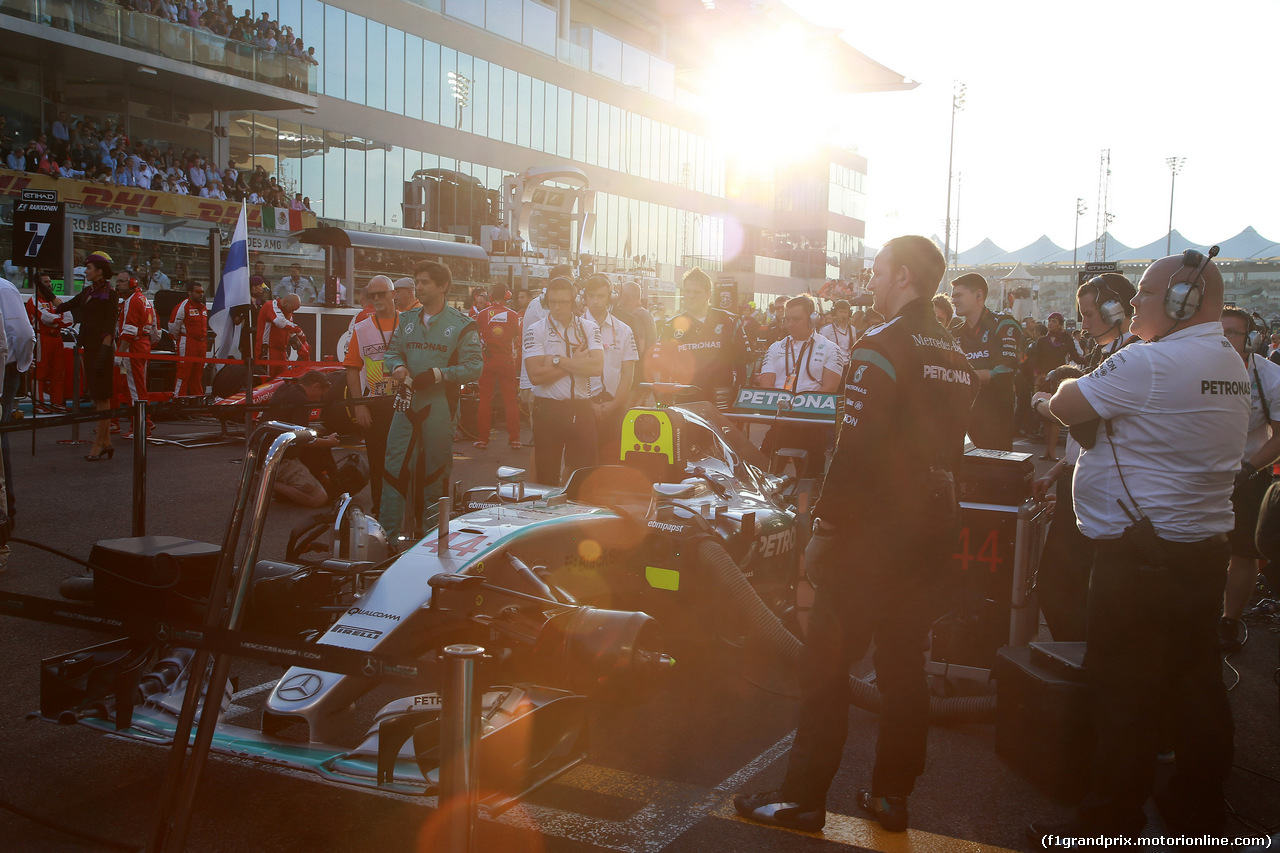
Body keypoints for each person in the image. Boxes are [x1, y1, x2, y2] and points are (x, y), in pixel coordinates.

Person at [737, 235, 977, 833]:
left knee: (825, 664)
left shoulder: (880, 344)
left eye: (876, 272)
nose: (869, 282)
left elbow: (855, 448)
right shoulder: (953, 348)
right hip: (930, 531)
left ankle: (801, 799)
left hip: (872, 535)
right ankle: (892, 797)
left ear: (901, 276)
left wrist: (825, 525)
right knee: (903, 667)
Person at [1031, 250, 1247, 843]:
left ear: (1181, 302)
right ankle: (1198, 806)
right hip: (1201, 552)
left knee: (1122, 692)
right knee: (1196, 681)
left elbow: (1066, 404)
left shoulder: (1150, 363)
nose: (1131, 314)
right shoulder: (1230, 360)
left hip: (1138, 559)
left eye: (1144, 298)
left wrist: (1071, 382)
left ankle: (1110, 820)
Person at [1030, 272, 1139, 642]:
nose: (1084, 322)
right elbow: (1090, 439)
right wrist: (1059, 470)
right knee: (1058, 588)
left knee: (1065, 589)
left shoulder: (1132, 355)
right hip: (1079, 483)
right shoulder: (1104, 353)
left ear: (1115, 310)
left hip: (1110, 498)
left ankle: (1079, 669)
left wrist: (1044, 403)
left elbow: (1078, 417)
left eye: (1090, 313)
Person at [381, 261, 483, 541]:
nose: (419, 287)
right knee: (393, 470)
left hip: (440, 408)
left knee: (436, 473)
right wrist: (398, 368)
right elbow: (392, 354)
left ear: (443, 286)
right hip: (406, 403)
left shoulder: (463, 324)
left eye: (425, 282)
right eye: (417, 282)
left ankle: (432, 540)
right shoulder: (406, 319)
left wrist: (440, 374)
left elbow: (475, 367)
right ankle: (385, 539)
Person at [1218, 308, 1280, 652]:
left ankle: (1229, 620)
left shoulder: (1269, 375)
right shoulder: (1192, 369)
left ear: (1251, 337)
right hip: (1198, 474)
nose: (1226, 340)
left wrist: (1249, 469)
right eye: (1220, 332)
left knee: (1242, 553)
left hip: (1248, 473)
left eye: (1234, 333)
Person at [524, 276, 603, 486]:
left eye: (563, 302)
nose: (557, 307)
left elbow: (597, 367)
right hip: (548, 409)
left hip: (581, 408)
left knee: (585, 476)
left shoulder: (589, 327)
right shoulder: (536, 329)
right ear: (546, 301)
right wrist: (574, 363)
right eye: (552, 302)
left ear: (575, 302)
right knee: (546, 476)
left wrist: (557, 361)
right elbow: (535, 375)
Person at [755, 294, 843, 479]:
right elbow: (767, 384)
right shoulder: (775, 347)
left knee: (810, 481)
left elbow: (829, 388)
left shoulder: (831, 349)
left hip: (811, 426)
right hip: (780, 424)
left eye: (796, 319)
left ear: (812, 320)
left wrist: (798, 407)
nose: (790, 324)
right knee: (762, 475)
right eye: (787, 319)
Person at [53, 251, 118, 461]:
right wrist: (43, 288)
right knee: (96, 396)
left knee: (102, 396)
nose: (85, 271)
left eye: (89, 268)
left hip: (102, 350)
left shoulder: (110, 294)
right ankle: (106, 442)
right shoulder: (88, 292)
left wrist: (104, 352)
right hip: (89, 348)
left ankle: (98, 444)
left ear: (99, 272)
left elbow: (109, 325)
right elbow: (63, 307)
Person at [651, 267, 748, 406]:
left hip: (722, 401)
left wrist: (739, 401)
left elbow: (742, 366)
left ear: (708, 294)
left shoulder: (729, 321)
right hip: (684, 402)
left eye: (696, 292)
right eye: (687, 291)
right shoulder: (669, 326)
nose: (691, 296)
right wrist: (665, 402)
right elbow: (663, 369)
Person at [344, 275, 399, 517]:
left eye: (381, 294)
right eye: (372, 295)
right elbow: (352, 369)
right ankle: (380, 510)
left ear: (393, 294)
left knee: (405, 462)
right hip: (375, 405)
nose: (376, 299)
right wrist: (359, 406)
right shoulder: (362, 328)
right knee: (377, 463)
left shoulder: (408, 324)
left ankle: (404, 511)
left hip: (405, 404)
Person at [949, 272, 1021, 450]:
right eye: (952, 296)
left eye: (958, 295)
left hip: (997, 417)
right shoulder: (954, 333)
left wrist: (963, 375)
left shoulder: (1005, 324)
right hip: (964, 419)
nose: (953, 300)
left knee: (995, 472)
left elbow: (1004, 371)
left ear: (979, 295)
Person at [264, 370, 342, 508]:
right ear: (315, 386)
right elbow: (303, 440)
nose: (319, 399)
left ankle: (276, 482)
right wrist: (328, 441)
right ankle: (267, 482)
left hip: (263, 451)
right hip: (280, 459)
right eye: (320, 394)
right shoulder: (302, 401)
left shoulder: (284, 388)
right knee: (319, 498)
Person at [583, 275, 638, 462]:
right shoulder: (573, 328)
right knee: (580, 465)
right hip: (581, 407)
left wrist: (614, 404)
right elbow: (569, 373)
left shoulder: (624, 330)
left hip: (615, 407)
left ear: (610, 298)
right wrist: (588, 405)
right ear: (585, 297)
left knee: (613, 465)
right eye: (591, 296)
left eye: (600, 296)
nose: (595, 301)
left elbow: (628, 373)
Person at [473, 283, 522, 450]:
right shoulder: (514, 315)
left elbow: (475, 333)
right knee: (510, 401)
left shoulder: (482, 314)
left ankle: (482, 439)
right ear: (508, 295)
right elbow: (516, 335)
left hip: (487, 361)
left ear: (491, 296)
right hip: (507, 361)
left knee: (485, 400)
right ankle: (514, 439)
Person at [1029, 312, 1079, 461]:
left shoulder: (1066, 339)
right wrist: (1038, 375)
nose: (1050, 323)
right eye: (1049, 321)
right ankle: (1047, 450)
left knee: (1055, 414)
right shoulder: (1042, 340)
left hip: (1059, 379)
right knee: (1045, 416)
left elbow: (1075, 356)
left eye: (1054, 321)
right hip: (1045, 380)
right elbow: (1036, 359)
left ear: (1060, 324)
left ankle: (1053, 451)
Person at [112, 271, 156, 438]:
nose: (118, 284)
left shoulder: (132, 301)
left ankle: (140, 426)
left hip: (133, 346)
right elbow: (155, 328)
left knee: (135, 388)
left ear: (132, 282)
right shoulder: (145, 300)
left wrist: (120, 354)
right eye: (117, 281)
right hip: (143, 344)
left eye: (122, 281)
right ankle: (145, 422)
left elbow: (129, 331)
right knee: (139, 386)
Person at [29, 274, 72, 409]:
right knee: (39, 371)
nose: (48, 284)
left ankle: (57, 402)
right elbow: (46, 318)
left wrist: (58, 322)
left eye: (49, 282)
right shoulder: (33, 300)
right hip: (42, 338)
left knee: (58, 372)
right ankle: (38, 404)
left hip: (57, 339)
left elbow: (70, 319)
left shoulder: (56, 300)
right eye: (45, 282)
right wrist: (60, 321)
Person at [168, 281, 208, 396]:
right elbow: (173, 327)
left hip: (201, 344)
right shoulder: (183, 306)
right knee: (183, 374)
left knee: (198, 376)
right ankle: (178, 400)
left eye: (203, 292)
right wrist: (179, 340)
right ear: (190, 292)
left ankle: (197, 402)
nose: (201, 294)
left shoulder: (203, 308)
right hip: (187, 343)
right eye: (198, 292)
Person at [256, 292, 302, 377]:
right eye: (291, 309)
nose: (292, 311)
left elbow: (289, 329)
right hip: (268, 349)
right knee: (268, 381)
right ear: (285, 301)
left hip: (282, 350)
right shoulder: (270, 305)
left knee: (283, 379)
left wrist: (299, 343)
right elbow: (279, 321)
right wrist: (299, 331)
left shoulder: (288, 310)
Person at [818, 298, 856, 366]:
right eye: (840, 312)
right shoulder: (826, 330)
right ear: (835, 313)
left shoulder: (852, 329)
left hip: (848, 365)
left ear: (849, 313)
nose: (843, 314)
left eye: (845, 312)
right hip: (832, 365)